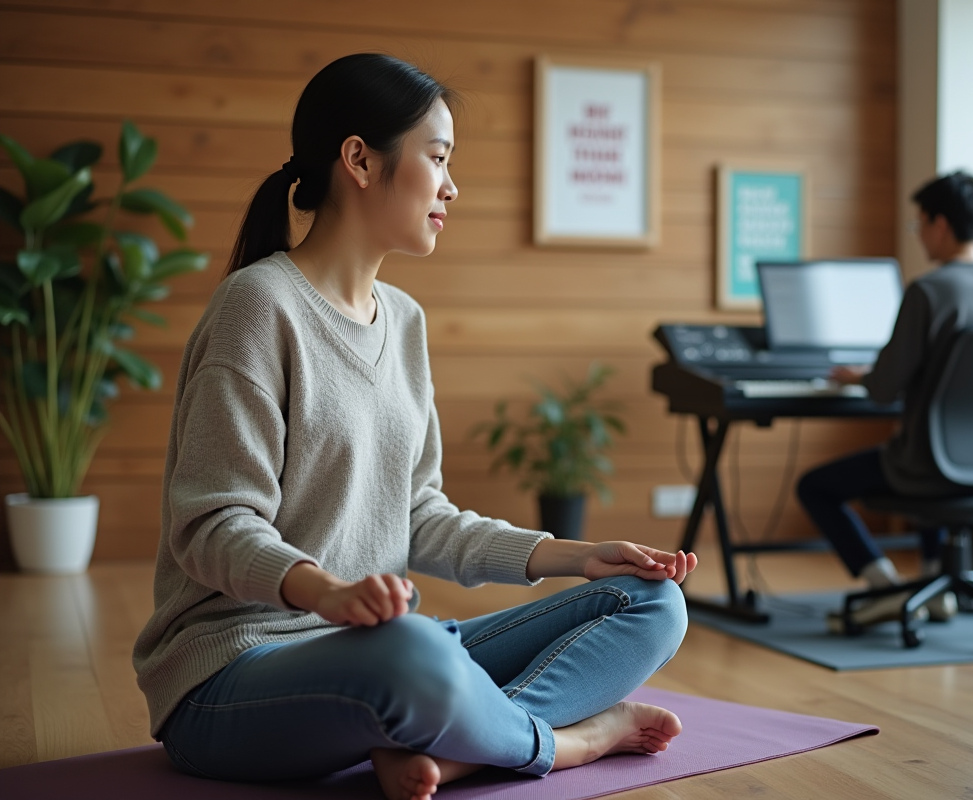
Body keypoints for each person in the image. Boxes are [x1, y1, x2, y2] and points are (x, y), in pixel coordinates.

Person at [132, 54, 698, 800]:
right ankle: (563, 743)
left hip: (376, 651)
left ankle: (461, 750)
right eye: (437, 158)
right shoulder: (258, 307)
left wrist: (579, 555)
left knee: (653, 603)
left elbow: (419, 514)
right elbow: (209, 526)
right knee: (414, 656)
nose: (451, 185)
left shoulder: (403, 321)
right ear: (361, 160)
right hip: (234, 675)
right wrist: (325, 592)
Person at [795, 171, 973, 633]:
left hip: (930, 464)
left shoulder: (928, 291)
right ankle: (931, 585)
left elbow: (883, 388)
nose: (919, 234)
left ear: (940, 224)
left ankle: (884, 586)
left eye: (919, 223)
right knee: (928, 456)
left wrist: (862, 376)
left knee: (815, 486)